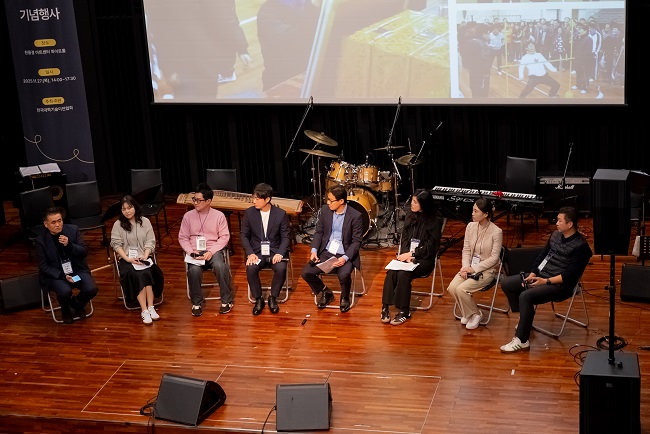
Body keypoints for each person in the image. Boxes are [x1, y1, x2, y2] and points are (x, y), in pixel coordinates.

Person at [500, 207, 592, 353]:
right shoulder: (555, 235)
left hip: (560, 285)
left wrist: (545, 281)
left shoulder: (581, 247)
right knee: (507, 283)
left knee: (525, 296)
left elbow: (571, 275)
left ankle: (522, 340)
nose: (556, 223)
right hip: (542, 276)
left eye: (559, 221)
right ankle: (525, 320)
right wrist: (533, 274)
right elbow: (543, 256)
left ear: (570, 224)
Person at [381, 189, 443, 325]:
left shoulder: (435, 220)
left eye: (415, 202)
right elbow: (405, 239)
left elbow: (431, 247)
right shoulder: (410, 215)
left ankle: (405, 311)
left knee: (403, 274)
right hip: (407, 256)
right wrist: (405, 255)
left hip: (424, 258)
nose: (411, 205)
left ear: (424, 204)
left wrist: (413, 255)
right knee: (392, 272)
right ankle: (385, 307)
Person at [301, 185, 363, 312]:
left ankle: (345, 297)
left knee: (344, 275)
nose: (328, 202)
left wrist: (345, 258)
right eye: (327, 199)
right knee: (306, 272)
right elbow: (319, 232)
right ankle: (325, 292)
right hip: (327, 252)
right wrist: (314, 251)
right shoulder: (325, 211)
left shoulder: (355, 216)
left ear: (341, 201)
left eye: (330, 200)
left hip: (345, 253)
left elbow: (356, 242)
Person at [446, 198, 503, 330]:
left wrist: (474, 268)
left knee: (461, 289)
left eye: (476, 211)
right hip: (469, 267)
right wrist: (465, 267)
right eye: (473, 210)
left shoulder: (496, 232)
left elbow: (494, 258)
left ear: (486, 214)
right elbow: (466, 249)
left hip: (486, 270)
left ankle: (476, 314)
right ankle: (469, 313)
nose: (472, 213)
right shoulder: (470, 226)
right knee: (452, 287)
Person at [35, 206, 98, 324]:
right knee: (65, 291)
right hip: (56, 274)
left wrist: (70, 245)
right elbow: (44, 266)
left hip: (76, 269)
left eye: (59, 220)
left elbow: (84, 251)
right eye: (53, 222)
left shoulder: (73, 230)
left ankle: (77, 304)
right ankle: (65, 309)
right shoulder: (41, 240)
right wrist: (63, 276)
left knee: (91, 289)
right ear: (46, 224)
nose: (58, 225)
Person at [178, 183, 234, 316]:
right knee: (193, 271)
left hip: (212, 250)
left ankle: (227, 301)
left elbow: (224, 237)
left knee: (220, 266)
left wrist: (211, 251)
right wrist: (191, 252)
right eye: (194, 199)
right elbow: (183, 237)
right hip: (195, 251)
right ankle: (196, 303)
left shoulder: (219, 216)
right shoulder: (188, 216)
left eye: (198, 200)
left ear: (208, 201)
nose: (195, 202)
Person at [110, 195, 164, 325]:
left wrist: (145, 256)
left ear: (135, 207)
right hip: (127, 260)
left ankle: (151, 307)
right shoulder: (118, 225)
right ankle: (144, 310)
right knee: (139, 275)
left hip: (143, 257)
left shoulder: (145, 222)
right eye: (124, 209)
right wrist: (128, 259)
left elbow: (150, 242)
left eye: (129, 208)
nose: (127, 211)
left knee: (148, 272)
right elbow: (116, 245)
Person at [240, 183, 291, 315]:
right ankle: (258, 299)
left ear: (267, 199)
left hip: (275, 251)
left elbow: (286, 237)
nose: (254, 201)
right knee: (251, 268)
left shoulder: (280, 214)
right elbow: (243, 235)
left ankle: (273, 297)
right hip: (257, 252)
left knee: (281, 268)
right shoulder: (249, 213)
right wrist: (250, 253)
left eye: (257, 199)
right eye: (253, 198)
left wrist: (280, 253)